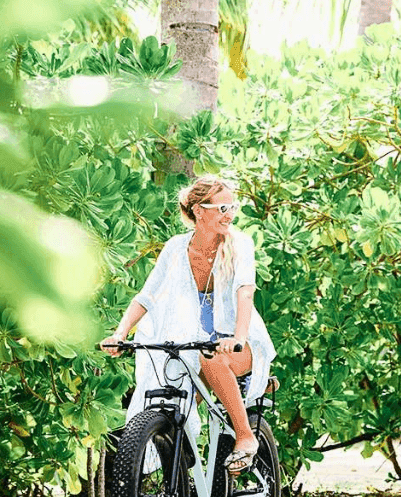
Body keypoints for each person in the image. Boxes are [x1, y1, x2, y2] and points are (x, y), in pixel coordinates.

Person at [100, 175, 277, 476]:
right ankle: (176, 462)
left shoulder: (239, 244)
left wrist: (238, 336)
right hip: (190, 342)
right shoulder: (175, 248)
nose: (230, 215)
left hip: (238, 344)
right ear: (199, 211)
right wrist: (120, 333)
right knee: (171, 393)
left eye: (233, 207)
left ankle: (246, 437)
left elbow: (244, 290)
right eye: (223, 208)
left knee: (212, 361)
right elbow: (147, 296)